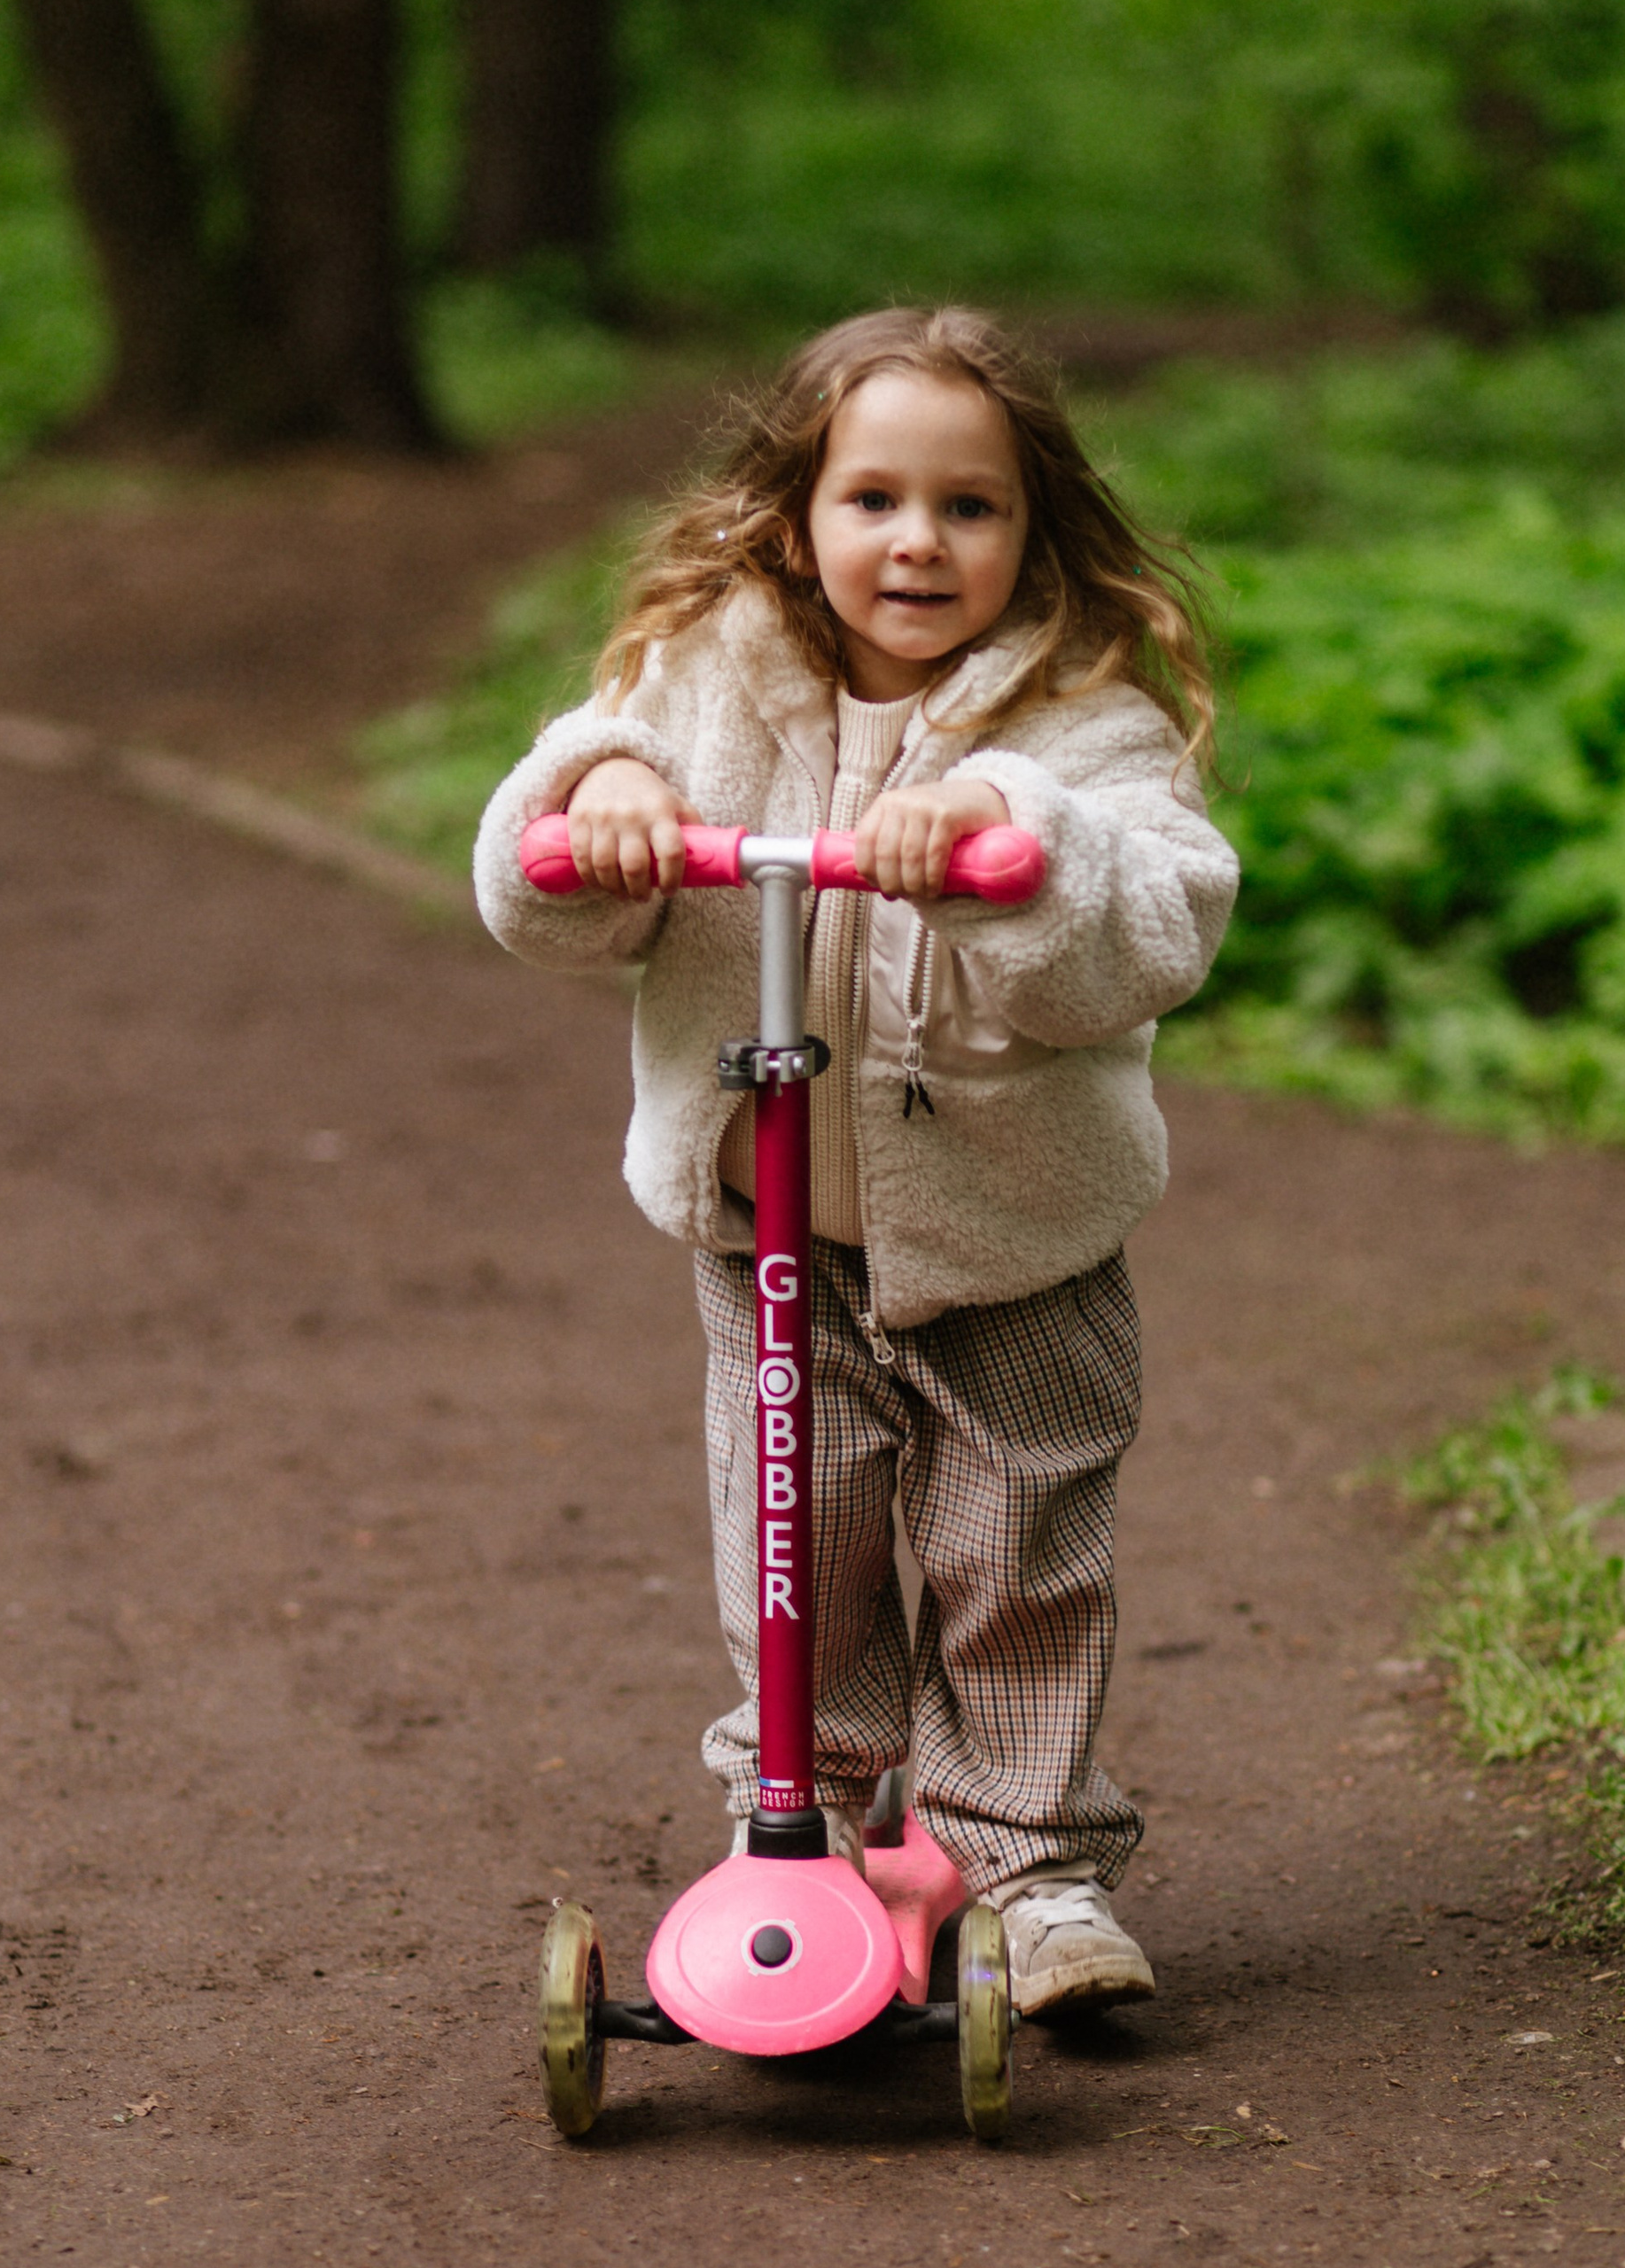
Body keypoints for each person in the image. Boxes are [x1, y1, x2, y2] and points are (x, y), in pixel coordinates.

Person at [475, 307, 1239, 2017]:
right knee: (793, 1544)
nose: (918, 540)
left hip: (1011, 1249)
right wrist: (595, 794)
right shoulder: (703, 682)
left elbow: (1156, 927)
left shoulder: (1076, 723)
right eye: (874, 498)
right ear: (796, 514)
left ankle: (1030, 1869)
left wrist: (1009, 844)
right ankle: (794, 1825)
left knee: (1017, 1557)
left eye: (969, 508)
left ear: (1033, 530)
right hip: (771, 1242)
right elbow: (539, 885)